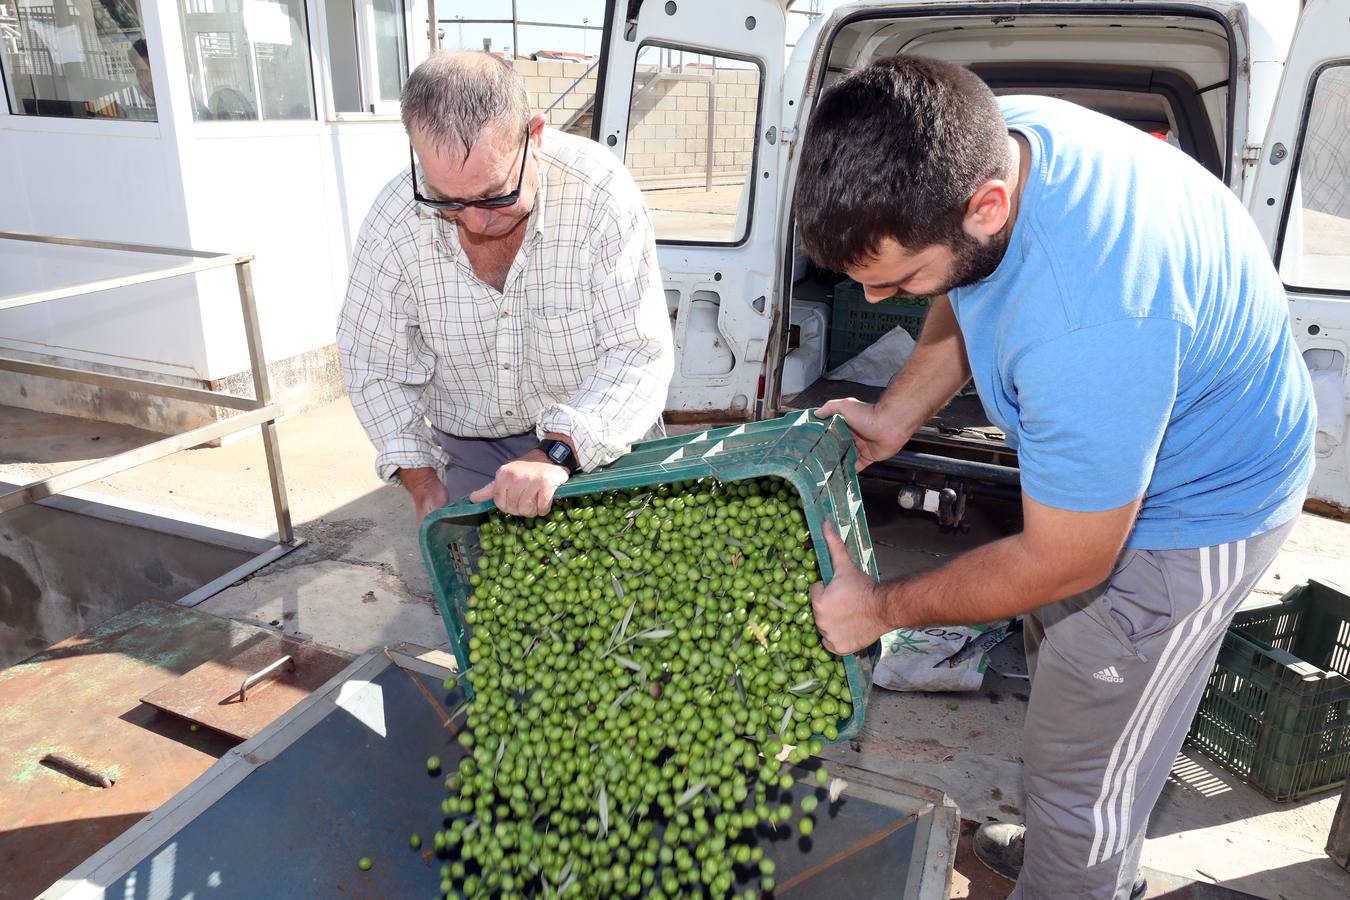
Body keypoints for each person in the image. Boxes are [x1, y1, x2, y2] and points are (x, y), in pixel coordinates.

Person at [795, 56, 1314, 900]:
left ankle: (1078, 870)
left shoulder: (1093, 321)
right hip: (1110, 463)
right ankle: (1064, 842)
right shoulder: (994, 140)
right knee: (1062, 679)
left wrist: (880, 610)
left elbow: (1067, 559)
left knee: (1091, 767)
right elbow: (961, 283)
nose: (883, 299)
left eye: (898, 280)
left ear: (987, 207)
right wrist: (895, 416)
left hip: (1198, 511)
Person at [338, 52, 673, 521]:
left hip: (602, 434)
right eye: (448, 200)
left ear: (533, 136)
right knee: (486, 587)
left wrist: (556, 454)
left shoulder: (599, 195)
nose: (474, 222)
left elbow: (639, 353)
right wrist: (421, 479)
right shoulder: (394, 223)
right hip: (472, 451)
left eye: (496, 195)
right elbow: (372, 363)